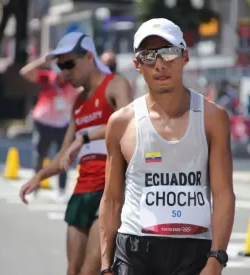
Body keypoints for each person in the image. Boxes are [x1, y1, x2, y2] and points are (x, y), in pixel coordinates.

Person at [99, 18, 236, 275]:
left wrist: (217, 258)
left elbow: (223, 193)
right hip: (135, 249)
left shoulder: (212, 118)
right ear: (138, 65)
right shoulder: (121, 123)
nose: (160, 64)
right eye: (149, 56)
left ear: (185, 57)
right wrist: (106, 266)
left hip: (193, 248)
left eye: (169, 52)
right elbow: (112, 198)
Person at [18, 32, 132, 275]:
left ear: (89, 57)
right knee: (72, 270)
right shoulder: (78, 102)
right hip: (82, 192)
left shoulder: (115, 84)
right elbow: (63, 158)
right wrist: (38, 177)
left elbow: (127, 122)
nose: (65, 72)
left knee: (89, 271)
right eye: (60, 66)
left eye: (69, 64)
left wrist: (86, 136)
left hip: (109, 192)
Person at [20, 55, 79, 200]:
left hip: (62, 124)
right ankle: (35, 188)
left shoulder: (74, 83)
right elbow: (24, 72)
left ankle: (61, 189)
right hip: (43, 122)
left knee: (63, 157)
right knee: (40, 155)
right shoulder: (47, 78)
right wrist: (42, 61)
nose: (61, 74)